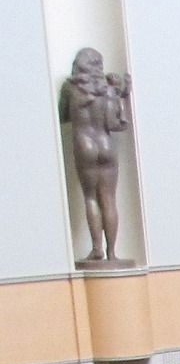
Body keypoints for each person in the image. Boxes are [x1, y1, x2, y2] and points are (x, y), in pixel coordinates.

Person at [58, 48, 132, 265]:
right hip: (107, 145)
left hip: (85, 145)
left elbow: (63, 116)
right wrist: (119, 93)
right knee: (109, 198)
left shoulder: (70, 88)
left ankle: (97, 248)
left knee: (91, 197)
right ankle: (112, 253)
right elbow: (115, 124)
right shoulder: (108, 90)